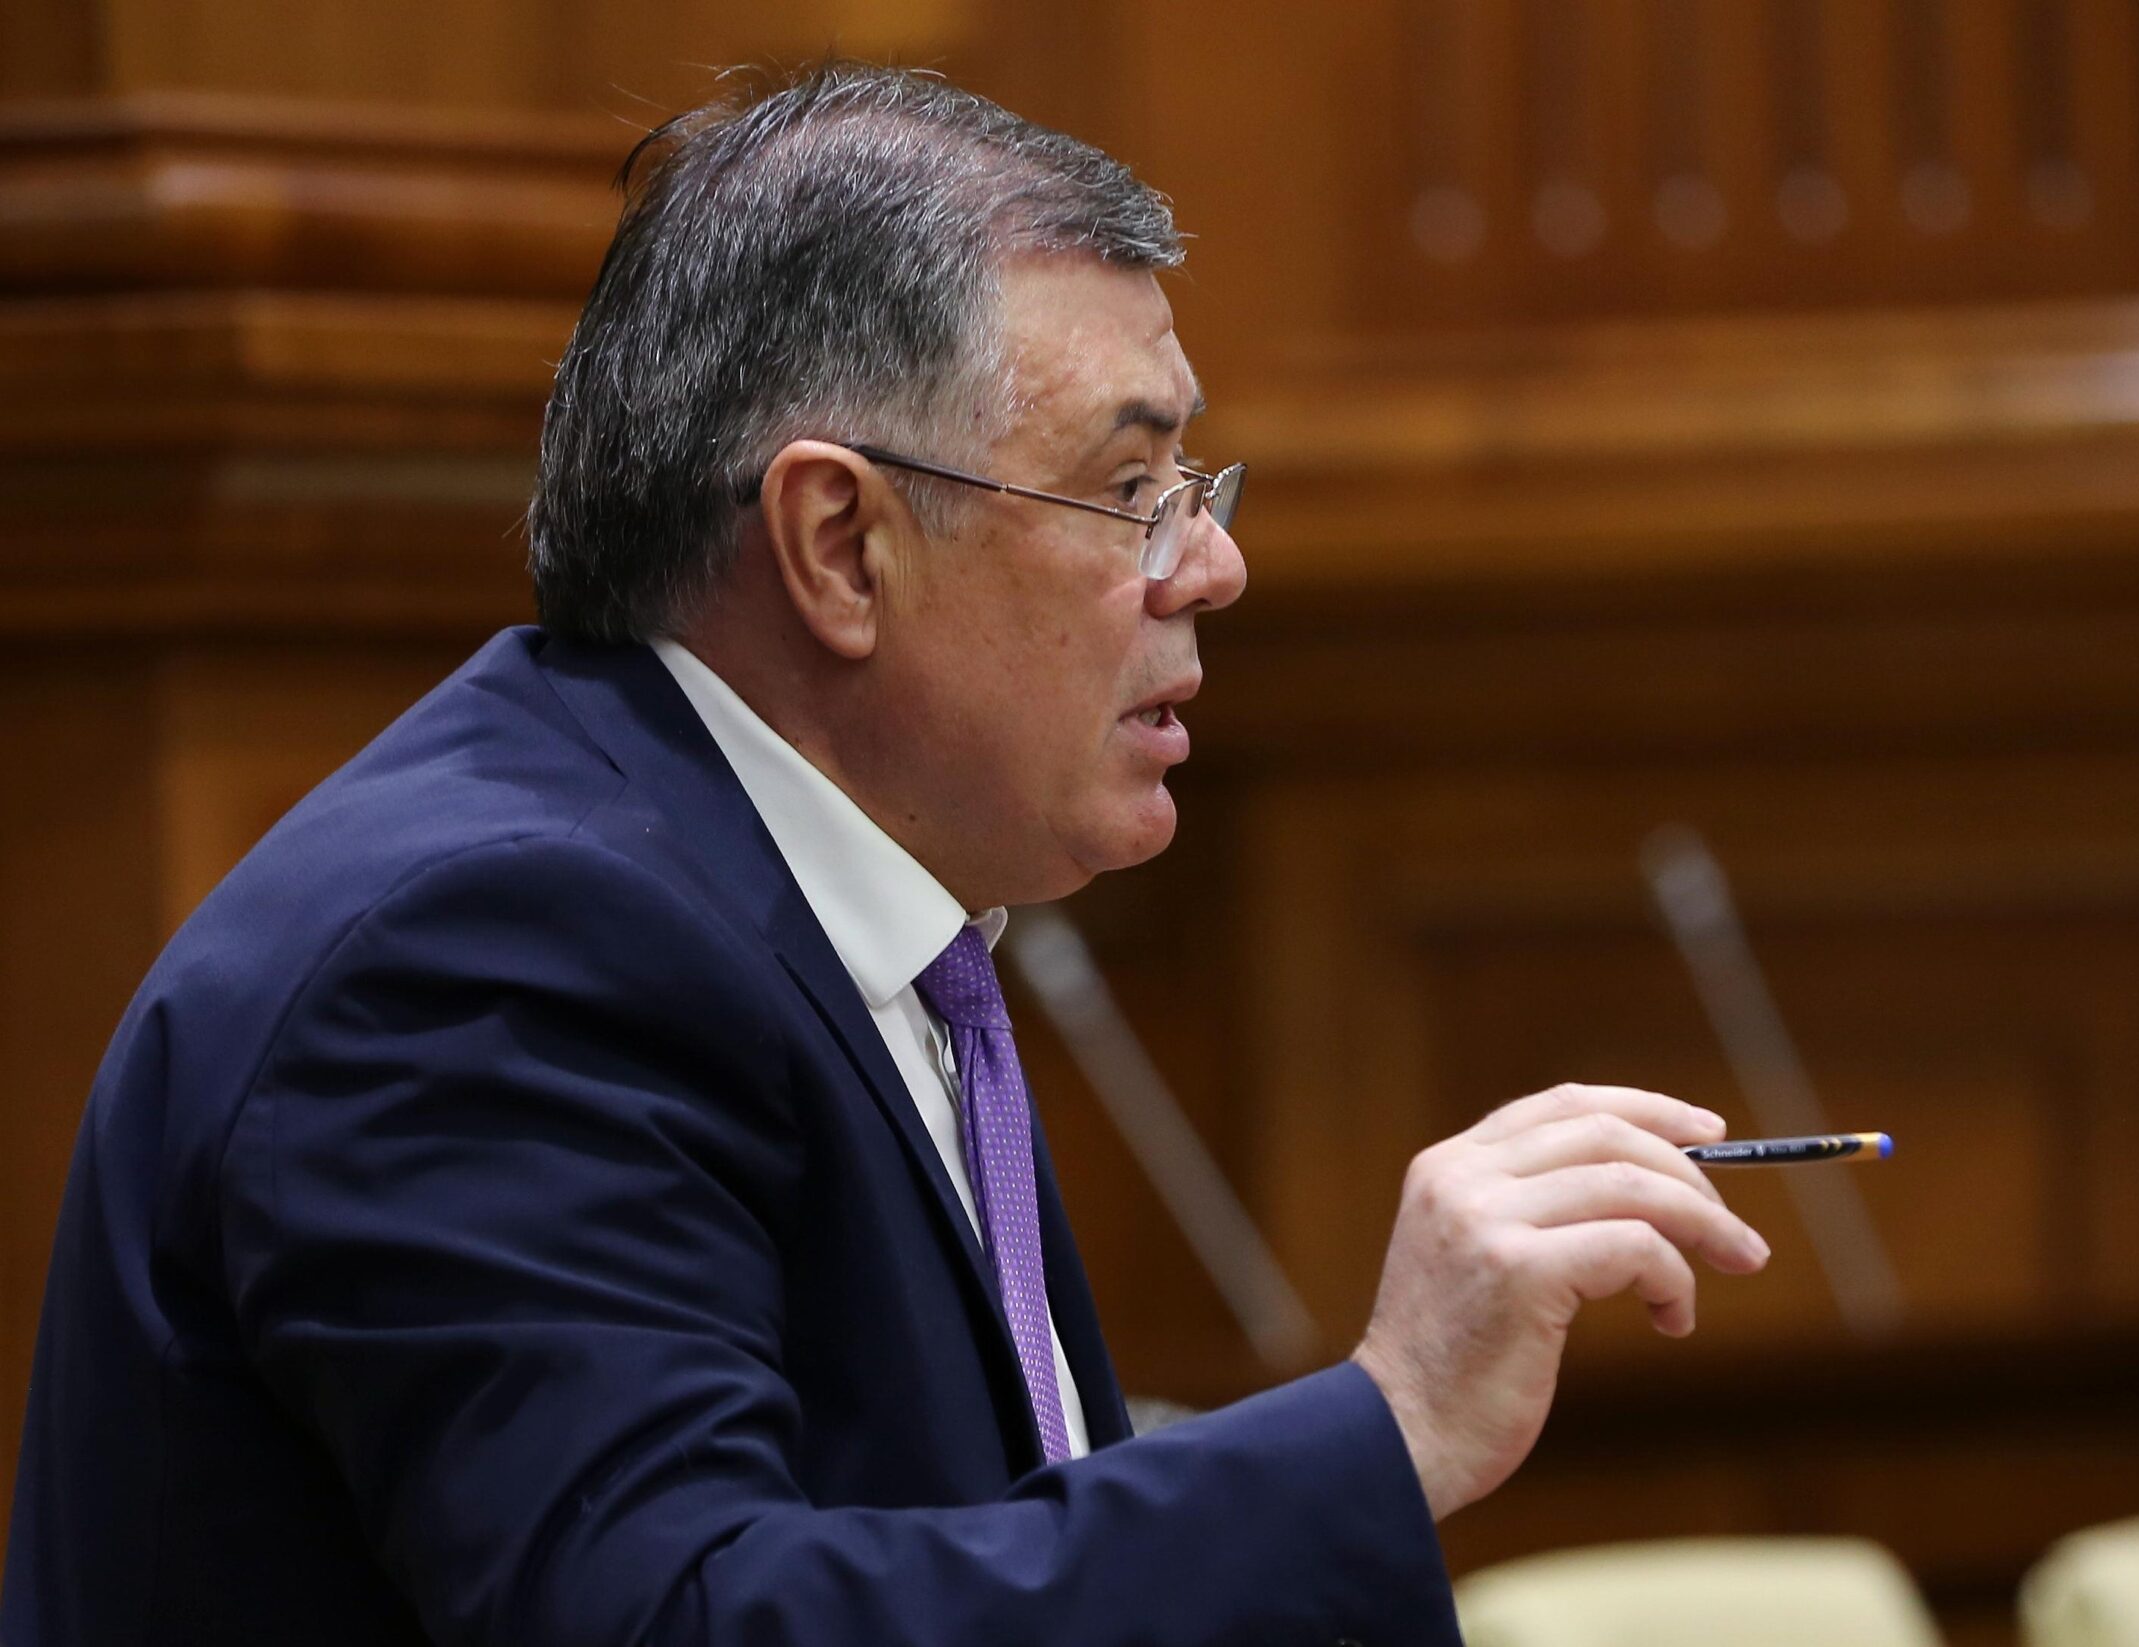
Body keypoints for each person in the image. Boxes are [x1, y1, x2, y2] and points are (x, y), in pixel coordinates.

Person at [1, 62, 1768, 1646]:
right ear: (841, 543)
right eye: (1130, 492)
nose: (1213, 566)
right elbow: (685, 1620)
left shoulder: (829, 919)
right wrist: (1387, 1425)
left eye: (1196, 491)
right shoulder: (491, 953)